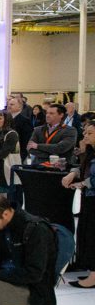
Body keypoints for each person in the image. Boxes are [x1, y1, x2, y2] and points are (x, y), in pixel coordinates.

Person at [63, 123, 95, 288]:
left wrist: (81, 183)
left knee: (92, 234)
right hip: (89, 198)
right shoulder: (89, 152)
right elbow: (83, 167)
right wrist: (73, 173)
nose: (86, 136)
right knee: (87, 233)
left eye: (90, 133)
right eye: (86, 133)